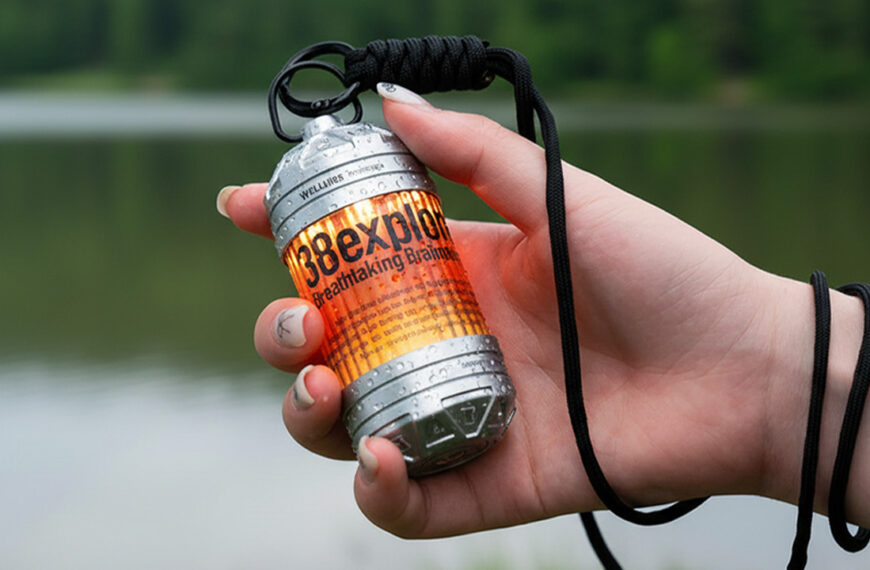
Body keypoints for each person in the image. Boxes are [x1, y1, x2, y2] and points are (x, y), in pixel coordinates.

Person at [217, 83, 869, 539]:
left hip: (473, 391)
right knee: (306, 344)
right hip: (444, 397)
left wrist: (781, 371)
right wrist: (786, 382)